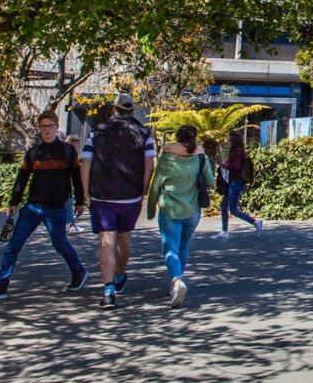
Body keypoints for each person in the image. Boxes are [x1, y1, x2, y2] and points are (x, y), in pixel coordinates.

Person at [0, 111, 88, 301]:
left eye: (50, 126)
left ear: (56, 127)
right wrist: (14, 201)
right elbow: (22, 178)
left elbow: (76, 177)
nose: (47, 130)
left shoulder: (67, 151)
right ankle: (1, 285)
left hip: (56, 207)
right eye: (43, 126)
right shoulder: (34, 152)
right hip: (33, 206)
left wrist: (79, 201)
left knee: (60, 243)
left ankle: (78, 271)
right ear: (39, 128)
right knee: (14, 245)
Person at [80, 92, 155, 309]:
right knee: (124, 238)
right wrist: (143, 190)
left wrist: (86, 192)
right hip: (130, 195)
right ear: (133, 111)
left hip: (102, 194)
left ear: (114, 109)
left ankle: (108, 290)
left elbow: (86, 163)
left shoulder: (97, 132)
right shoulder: (144, 133)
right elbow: (149, 164)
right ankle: (120, 274)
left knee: (107, 239)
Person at [147, 124, 214, 309]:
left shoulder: (168, 156)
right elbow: (210, 181)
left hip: (170, 209)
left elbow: (156, 185)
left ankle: (177, 281)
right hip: (192, 210)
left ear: (177, 137)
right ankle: (178, 282)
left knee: (170, 249)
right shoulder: (200, 156)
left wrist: (150, 209)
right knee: (183, 246)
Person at [213, 129, 261, 238]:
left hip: (235, 183)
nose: (227, 140)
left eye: (228, 139)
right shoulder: (235, 151)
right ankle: (224, 231)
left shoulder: (237, 151)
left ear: (233, 140)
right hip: (232, 182)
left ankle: (255, 222)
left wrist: (224, 166)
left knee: (233, 210)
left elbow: (236, 167)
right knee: (223, 205)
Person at [64, 134, 85, 233]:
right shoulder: (68, 151)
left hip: (68, 182)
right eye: (76, 141)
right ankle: (70, 224)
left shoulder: (71, 151)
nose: (77, 143)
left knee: (68, 204)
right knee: (68, 204)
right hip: (65, 183)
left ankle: (70, 224)